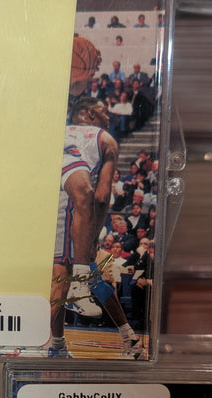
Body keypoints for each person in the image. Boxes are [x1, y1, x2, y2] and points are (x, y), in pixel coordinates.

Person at [50, 96, 143, 359]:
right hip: (75, 214)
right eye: (103, 111)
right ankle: (128, 338)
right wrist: (92, 236)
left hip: (60, 210)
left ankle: (54, 345)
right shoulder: (105, 139)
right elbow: (102, 197)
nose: (109, 116)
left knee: (68, 280)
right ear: (89, 114)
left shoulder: (56, 132)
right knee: (78, 280)